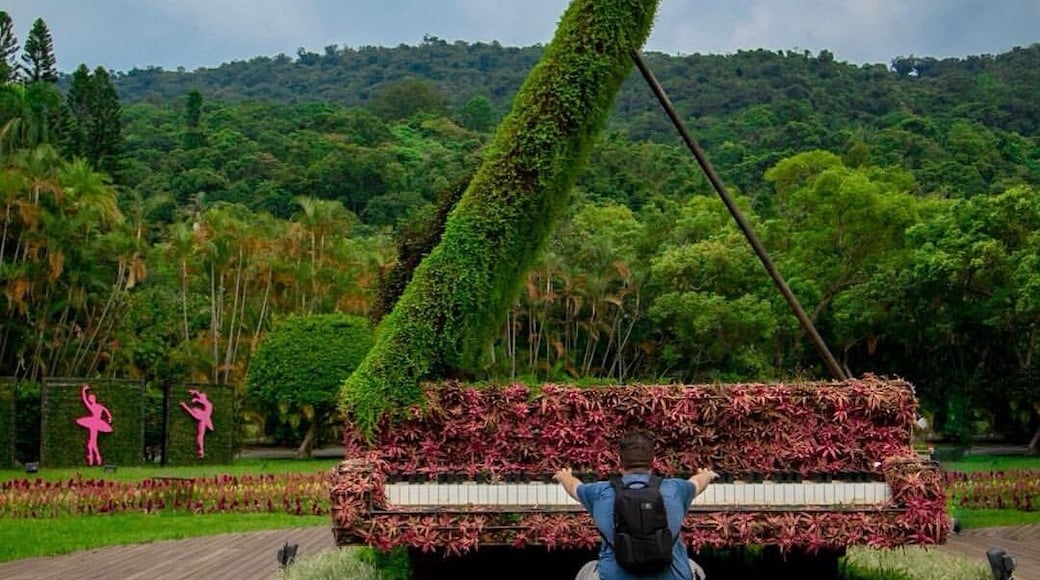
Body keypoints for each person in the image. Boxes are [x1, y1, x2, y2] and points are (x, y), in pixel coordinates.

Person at [554, 431, 718, 580]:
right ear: (653, 461)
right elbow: (697, 482)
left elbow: (574, 487)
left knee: (587, 570)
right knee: (696, 569)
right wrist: (707, 475)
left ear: (620, 461)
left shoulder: (599, 493)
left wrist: (564, 476)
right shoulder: (676, 489)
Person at [75, 384, 113, 466]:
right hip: (96, 422)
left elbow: (84, 400)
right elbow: (106, 410)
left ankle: (95, 458)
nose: (89, 400)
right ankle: (94, 458)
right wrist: (109, 417)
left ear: (93, 399)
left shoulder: (93, 407)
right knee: (92, 443)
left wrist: (83, 391)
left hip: (94, 423)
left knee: (92, 443)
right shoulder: (99, 406)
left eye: (90, 399)